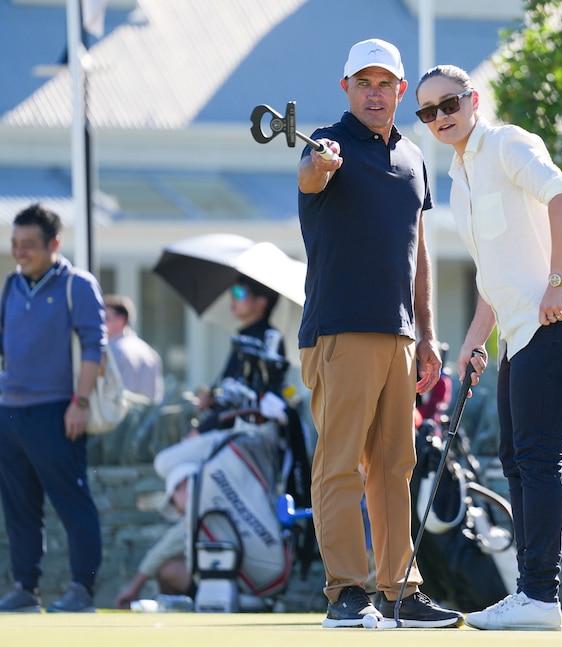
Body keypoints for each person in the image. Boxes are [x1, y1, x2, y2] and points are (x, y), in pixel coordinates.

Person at [415, 65, 562, 630]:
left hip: (560, 316)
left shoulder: (506, 144)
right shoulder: (457, 180)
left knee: (536, 458)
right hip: (521, 331)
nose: (440, 117)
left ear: (473, 100)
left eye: (448, 103)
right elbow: (493, 277)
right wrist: (474, 343)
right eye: (428, 112)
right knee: (515, 461)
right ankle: (531, 593)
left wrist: (557, 281)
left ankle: (540, 597)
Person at [296, 39, 461, 628]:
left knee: (396, 464)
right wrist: (321, 165)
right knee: (341, 464)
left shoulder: (415, 158)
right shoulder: (325, 144)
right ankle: (346, 591)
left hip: (400, 336)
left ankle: (399, 592)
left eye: (385, 82)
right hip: (339, 332)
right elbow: (311, 177)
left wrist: (429, 335)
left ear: (399, 90)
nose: (374, 91)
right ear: (346, 89)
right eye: (363, 82)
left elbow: (418, 254)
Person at [0, 203, 105, 613]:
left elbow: (95, 345)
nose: (19, 252)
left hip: (57, 410)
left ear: (54, 244)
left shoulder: (76, 284)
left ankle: (83, 589)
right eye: (15, 244)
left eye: (28, 245)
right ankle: (26, 588)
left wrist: (79, 403)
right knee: (19, 509)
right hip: (10, 412)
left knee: (72, 503)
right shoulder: (10, 285)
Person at [193, 276, 287, 435]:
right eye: (233, 291)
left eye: (240, 292)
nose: (233, 297)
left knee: (165, 460)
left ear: (261, 302)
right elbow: (232, 388)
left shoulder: (269, 340)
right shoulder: (246, 337)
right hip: (228, 430)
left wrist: (200, 431)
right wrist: (212, 398)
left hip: (245, 435)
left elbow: (247, 398)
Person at [114, 462, 197, 609]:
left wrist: (133, 589)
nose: (177, 510)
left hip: (226, 583)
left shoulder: (196, 515)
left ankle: (177, 611)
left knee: (168, 569)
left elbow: (161, 552)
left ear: (183, 485)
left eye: (173, 500)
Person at [104, 294, 164, 403]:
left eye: (106, 318)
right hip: (147, 417)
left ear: (122, 320)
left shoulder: (111, 351)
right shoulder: (149, 351)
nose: (102, 323)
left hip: (120, 415)